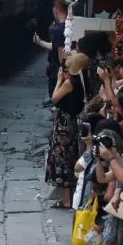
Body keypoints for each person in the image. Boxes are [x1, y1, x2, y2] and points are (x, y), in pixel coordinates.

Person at [45, 53, 89, 209]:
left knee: (62, 160)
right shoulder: (78, 82)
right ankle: (67, 198)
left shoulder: (69, 83)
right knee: (67, 158)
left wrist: (58, 80)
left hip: (64, 125)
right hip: (70, 123)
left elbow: (54, 98)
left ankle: (66, 200)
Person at [33, 0, 69, 101]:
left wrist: (63, 73)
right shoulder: (69, 26)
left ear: (56, 9)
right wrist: (40, 42)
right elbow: (56, 45)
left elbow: (61, 54)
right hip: (67, 68)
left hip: (58, 70)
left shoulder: (58, 30)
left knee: (56, 98)